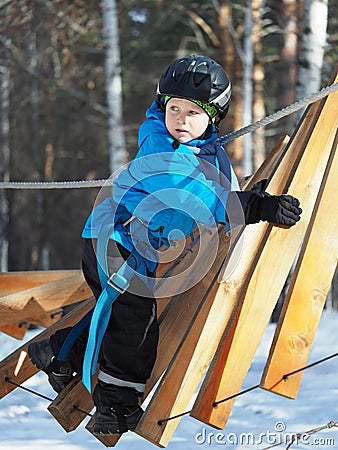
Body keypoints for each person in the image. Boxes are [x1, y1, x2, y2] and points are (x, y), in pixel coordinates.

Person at [28, 55, 302, 435]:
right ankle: (117, 406)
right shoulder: (161, 146)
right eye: (174, 108)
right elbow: (195, 195)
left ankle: (60, 351)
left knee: (122, 314)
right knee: (134, 324)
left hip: (130, 245)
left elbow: (216, 187)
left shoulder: (206, 149)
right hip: (115, 242)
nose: (181, 119)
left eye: (193, 112)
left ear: (213, 117)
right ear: (162, 106)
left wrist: (246, 196)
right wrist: (256, 206)